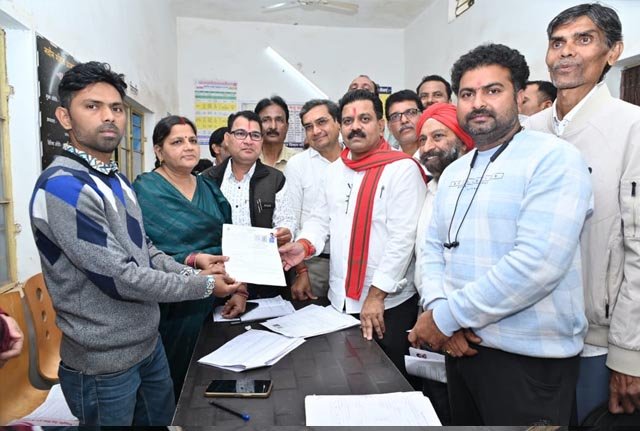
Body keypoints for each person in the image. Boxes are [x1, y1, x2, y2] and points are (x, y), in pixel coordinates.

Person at [29, 62, 240, 426]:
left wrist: (193, 268)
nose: (108, 116)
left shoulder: (115, 181)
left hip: (147, 346)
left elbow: (146, 251)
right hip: (104, 363)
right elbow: (121, 277)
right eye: (92, 106)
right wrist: (204, 285)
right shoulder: (64, 187)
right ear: (64, 117)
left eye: (116, 108)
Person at [409, 44, 593, 425]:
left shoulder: (554, 158)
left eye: (492, 90)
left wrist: (446, 317)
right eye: (467, 94)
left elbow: (537, 265)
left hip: (528, 361)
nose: (478, 103)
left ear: (519, 96)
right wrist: (442, 312)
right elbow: (434, 249)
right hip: (461, 351)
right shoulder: (454, 172)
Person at [526, 3, 640, 421]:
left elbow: (637, 247)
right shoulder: (527, 132)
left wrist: (629, 353)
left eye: (584, 39)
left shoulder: (633, 127)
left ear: (614, 52)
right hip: (526, 332)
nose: (566, 51)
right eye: (557, 42)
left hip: (597, 343)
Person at [280, 89, 427, 383]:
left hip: (388, 305)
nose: (355, 127)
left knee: (388, 384)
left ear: (381, 124)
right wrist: (304, 245)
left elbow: (403, 239)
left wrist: (377, 294)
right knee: (345, 379)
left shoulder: (402, 169)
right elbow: (319, 219)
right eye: (348, 121)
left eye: (364, 119)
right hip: (340, 300)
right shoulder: (335, 171)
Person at [133, 115, 245, 399]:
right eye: (177, 142)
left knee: (211, 376)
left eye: (193, 140)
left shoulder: (208, 187)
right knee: (172, 379)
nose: (188, 147)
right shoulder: (146, 189)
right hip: (172, 302)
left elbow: (228, 241)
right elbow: (144, 249)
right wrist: (193, 258)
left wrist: (238, 289)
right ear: (159, 151)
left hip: (216, 296)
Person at [413, 102, 474, 425]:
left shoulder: (475, 190)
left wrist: (447, 324)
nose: (428, 147)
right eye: (422, 140)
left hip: (464, 327)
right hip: (430, 317)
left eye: (438, 136)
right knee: (437, 407)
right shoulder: (431, 189)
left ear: (463, 141)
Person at [203, 111, 297, 299]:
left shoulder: (275, 179)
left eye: (255, 135)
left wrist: (286, 231)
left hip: (263, 279)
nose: (248, 141)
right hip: (219, 277)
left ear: (261, 141)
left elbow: (287, 220)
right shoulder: (207, 179)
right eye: (240, 134)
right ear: (227, 139)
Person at [285, 99, 342, 301]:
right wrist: (301, 271)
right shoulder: (297, 165)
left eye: (322, 122)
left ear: (338, 122)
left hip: (351, 264)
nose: (316, 131)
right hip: (312, 264)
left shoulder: (354, 159)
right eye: (308, 127)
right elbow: (290, 222)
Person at [255, 96, 299, 171]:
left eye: (279, 120)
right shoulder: (248, 159)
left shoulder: (298, 161)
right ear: (256, 125)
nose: (273, 127)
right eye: (266, 120)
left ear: (287, 127)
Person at [385, 90, 423, 156]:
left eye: (411, 112)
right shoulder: (387, 160)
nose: (404, 120)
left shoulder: (437, 155)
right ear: (389, 127)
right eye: (395, 116)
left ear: (423, 116)